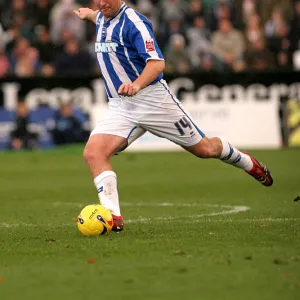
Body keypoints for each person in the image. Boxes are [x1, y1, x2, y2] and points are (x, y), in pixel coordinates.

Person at [73, 0, 273, 232]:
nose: (102, 3)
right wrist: (87, 14)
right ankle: (113, 219)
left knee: (205, 149)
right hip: (121, 107)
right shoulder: (101, 16)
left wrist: (136, 85)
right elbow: (96, 15)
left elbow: (157, 64)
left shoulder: (135, 23)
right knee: (93, 152)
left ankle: (249, 163)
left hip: (153, 101)